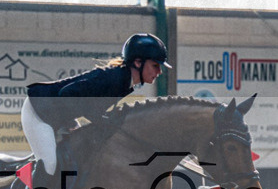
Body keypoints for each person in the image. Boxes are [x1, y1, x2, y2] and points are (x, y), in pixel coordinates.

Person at [22, 33, 171, 175]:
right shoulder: (115, 78)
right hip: (39, 111)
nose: (159, 72)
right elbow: (68, 93)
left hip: (59, 115)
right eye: (155, 65)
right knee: (50, 165)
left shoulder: (125, 81)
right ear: (138, 62)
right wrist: (100, 119)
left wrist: (101, 118)